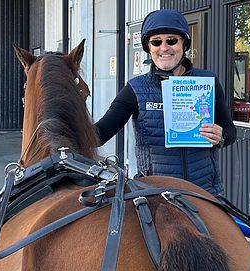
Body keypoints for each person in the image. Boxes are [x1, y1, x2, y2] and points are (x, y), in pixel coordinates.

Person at [94, 8, 236, 197]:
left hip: (204, 192)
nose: (164, 47)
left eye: (171, 40)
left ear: (184, 44)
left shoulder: (207, 81)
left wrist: (221, 136)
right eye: (156, 42)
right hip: (156, 195)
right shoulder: (135, 89)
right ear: (148, 48)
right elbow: (99, 134)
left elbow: (230, 130)